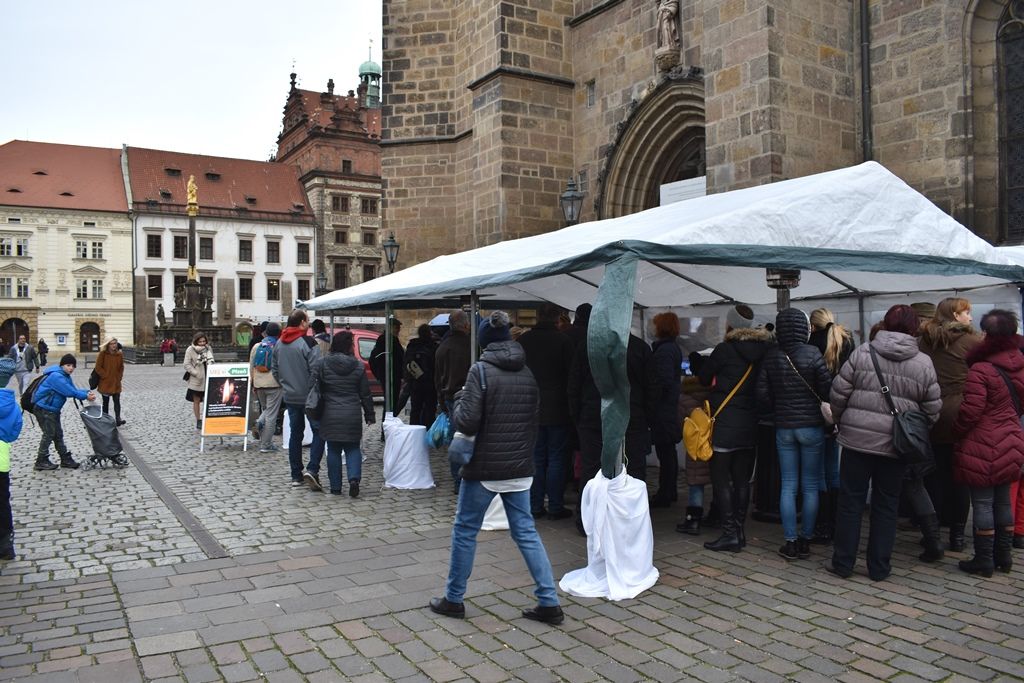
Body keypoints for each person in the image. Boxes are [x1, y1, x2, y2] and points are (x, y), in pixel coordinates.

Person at [428, 311, 563, 625]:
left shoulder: (481, 371)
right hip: (518, 466)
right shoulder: (527, 373)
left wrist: (461, 397)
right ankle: (549, 601)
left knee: (465, 532)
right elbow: (533, 419)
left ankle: (454, 598)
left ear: (485, 343)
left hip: (485, 468)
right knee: (527, 533)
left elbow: (466, 421)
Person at [827, 305, 940, 581]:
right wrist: (913, 431)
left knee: (850, 503)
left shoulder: (864, 352)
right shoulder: (923, 362)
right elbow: (932, 409)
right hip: (897, 445)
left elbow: (838, 394)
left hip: (857, 441)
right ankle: (879, 567)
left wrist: (843, 421)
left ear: (885, 323)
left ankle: (843, 564)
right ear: (915, 327)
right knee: (886, 505)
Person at [693, 305, 773, 552]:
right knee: (741, 481)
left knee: (720, 479)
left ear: (730, 325)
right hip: (750, 424)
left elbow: (704, 378)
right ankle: (739, 531)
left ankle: (729, 533)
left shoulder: (724, 350)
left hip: (725, 423)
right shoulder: (765, 350)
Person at [951, 309, 1024, 576]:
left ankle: (983, 559)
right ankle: (1004, 557)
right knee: (1003, 500)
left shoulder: (981, 369)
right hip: (1012, 437)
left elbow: (971, 411)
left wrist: (957, 430)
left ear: (987, 335)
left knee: (982, 502)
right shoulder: (1021, 363)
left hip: (982, 441)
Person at [757, 308, 833, 560]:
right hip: (811, 427)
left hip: (784, 428)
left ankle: (789, 541)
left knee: (788, 485)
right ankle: (805, 540)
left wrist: (780, 406)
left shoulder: (771, 355)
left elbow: (763, 396)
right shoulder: (813, 353)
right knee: (810, 485)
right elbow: (827, 389)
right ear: (804, 328)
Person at [569, 322, 658, 535]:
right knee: (633, 469)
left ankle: (587, 521)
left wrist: (578, 419)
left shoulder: (588, 347)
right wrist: (647, 418)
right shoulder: (639, 348)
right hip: (629, 417)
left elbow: (574, 386)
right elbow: (652, 388)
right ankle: (631, 521)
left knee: (592, 469)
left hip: (594, 417)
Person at [917, 297, 981, 553]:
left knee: (934, 474)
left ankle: (932, 533)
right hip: (960, 414)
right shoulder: (973, 342)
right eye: (967, 313)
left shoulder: (923, 341)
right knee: (960, 477)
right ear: (955, 316)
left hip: (929, 413)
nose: (970, 318)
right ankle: (957, 536)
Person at [518, 303, 575, 520]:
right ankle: (555, 506)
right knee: (557, 458)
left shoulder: (524, 341)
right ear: (556, 318)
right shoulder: (563, 341)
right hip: (558, 408)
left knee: (537, 458)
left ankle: (535, 505)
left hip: (531, 407)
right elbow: (571, 375)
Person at [808, 308, 855, 544]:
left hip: (816, 412)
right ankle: (837, 522)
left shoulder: (811, 343)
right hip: (838, 412)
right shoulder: (847, 341)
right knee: (833, 470)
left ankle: (822, 524)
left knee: (817, 473)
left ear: (812, 326)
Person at [272, 309, 325, 490]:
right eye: (307, 321)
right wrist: (309, 388)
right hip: (309, 396)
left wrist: (285, 385)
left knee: (296, 434)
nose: (309, 324)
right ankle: (312, 469)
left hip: (290, 396)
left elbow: (275, 369)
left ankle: (296, 475)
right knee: (319, 431)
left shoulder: (279, 343)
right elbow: (316, 370)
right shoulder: (308, 342)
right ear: (302, 322)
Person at [317, 331, 375, 496]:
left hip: (330, 412)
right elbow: (365, 393)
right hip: (352, 413)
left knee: (333, 449)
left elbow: (316, 389)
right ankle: (354, 479)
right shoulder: (357, 366)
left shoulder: (323, 363)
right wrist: (370, 414)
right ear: (349, 346)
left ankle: (336, 487)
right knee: (352, 447)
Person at [33, 354, 96, 471]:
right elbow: (69, 392)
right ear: (62, 365)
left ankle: (65, 459)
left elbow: (73, 390)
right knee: (49, 434)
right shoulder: (56, 376)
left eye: (73, 366)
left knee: (58, 434)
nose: (71, 368)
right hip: (45, 409)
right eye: (68, 365)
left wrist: (87, 392)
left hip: (52, 409)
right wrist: (86, 396)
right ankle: (41, 460)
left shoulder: (65, 375)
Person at [435, 310, 473, 490]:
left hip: (450, 397)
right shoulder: (472, 345)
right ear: (466, 325)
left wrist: (441, 402)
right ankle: (469, 478)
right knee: (473, 437)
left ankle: (458, 481)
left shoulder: (442, 347)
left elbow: (437, 379)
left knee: (455, 438)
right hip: (471, 396)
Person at [649, 312, 683, 508]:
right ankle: (669, 490)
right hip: (668, 407)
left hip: (663, 409)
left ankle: (666, 492)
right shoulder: (671, 348)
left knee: (666, 452)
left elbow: (663, 382)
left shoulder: (664, 351)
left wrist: (652, 401)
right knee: (667, 452)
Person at [0, 358, 24, 560]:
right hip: (1, 461)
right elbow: (13, 433)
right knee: (2, 503)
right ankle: (6, 545)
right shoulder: (12, 405)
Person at [249, 322, 283, 453]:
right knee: (271, 415)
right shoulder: (279, 346)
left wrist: (253, 383)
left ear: (265, 332)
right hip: (274, 384)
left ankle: (259, 424)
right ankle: (266, 445)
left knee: (266, 410)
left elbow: (251, 365)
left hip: (259, 384)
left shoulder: (257, 346)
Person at [401, 324, 438, 427]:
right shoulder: (433, 346)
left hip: (415, 383)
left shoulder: (412, 346)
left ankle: (414, 433)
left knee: (415, 410)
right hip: (430, 384)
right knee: (430, 410)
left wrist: (408, 379)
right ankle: (428, 432)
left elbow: (406, 364)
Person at [370, 318, 405, 425]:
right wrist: (380, 375)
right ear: (390, 327)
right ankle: (386, 429)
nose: (398, 330)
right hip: (390, 377)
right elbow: (373, 360)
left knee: (391, 404)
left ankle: (388, 428)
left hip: (393, 377)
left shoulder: (392, 340)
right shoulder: (386, 341)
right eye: (396, 327)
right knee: (390, 405)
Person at [183, 333, 214, 431]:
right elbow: (186, 364)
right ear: (196, 341)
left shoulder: (208, 349)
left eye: (204, 341)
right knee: (196, 401)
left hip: (208, 377)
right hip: (197, 379)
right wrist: (195, 373)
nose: (202, 343)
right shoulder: (190, 349)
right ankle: (198, 420)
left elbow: (212, 360)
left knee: (208, 401)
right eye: (200, 341)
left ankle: (207, 419)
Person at [95, 337, 126, 426]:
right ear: (108, 345)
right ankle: (106, 420)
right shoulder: (103, 354)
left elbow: (121, 367)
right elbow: (98, 367)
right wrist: (105, 376)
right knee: (106, 402)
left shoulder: (119, 354)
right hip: (105, 383)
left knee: (117, 401)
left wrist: (119, 377)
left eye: (115, 343)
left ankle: (118, 419)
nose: (114, 345)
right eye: (112, 343)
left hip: (116, 382)